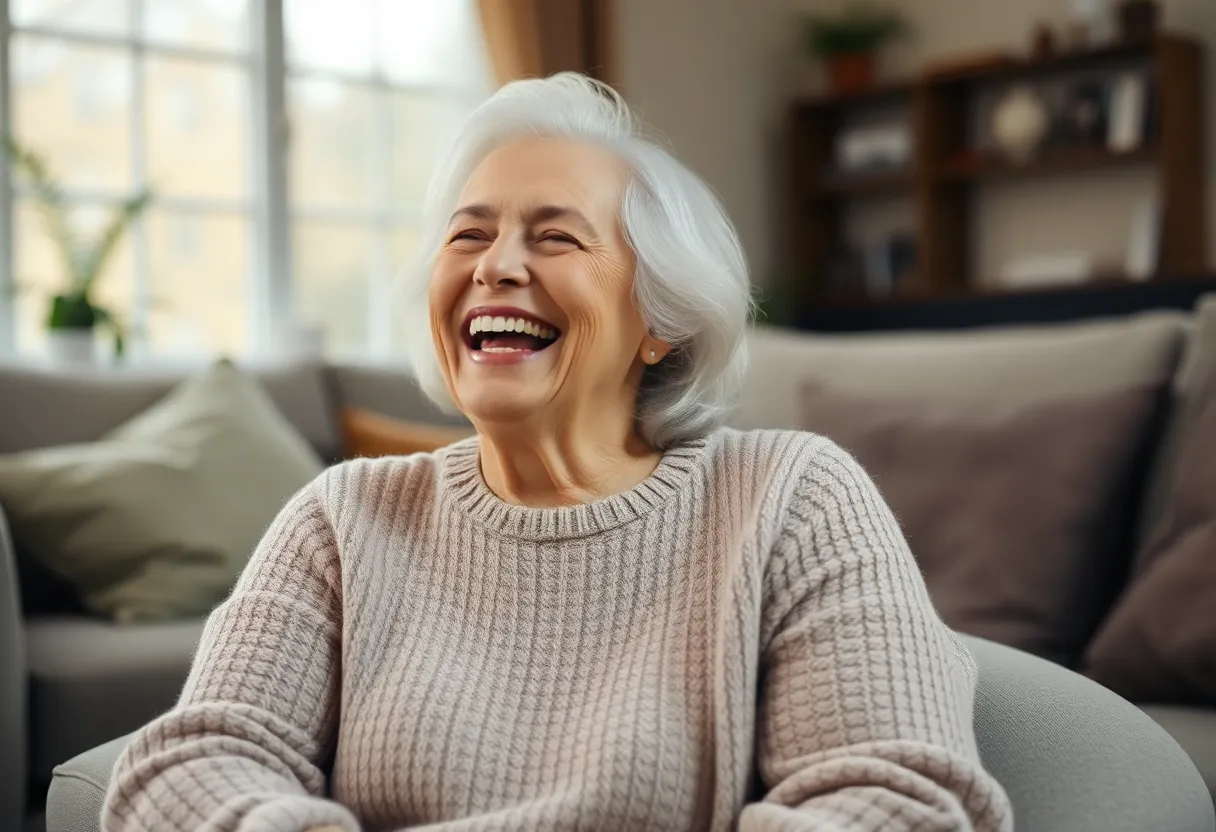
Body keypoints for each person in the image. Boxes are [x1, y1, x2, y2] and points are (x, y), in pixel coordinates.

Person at [101, 73, 1013, 832]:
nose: (495, 265)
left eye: (554, 236)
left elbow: (897, 801)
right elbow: (192, 762)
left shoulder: (789, 496)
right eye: (469, 233)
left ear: (658, 319)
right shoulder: (344, 517)